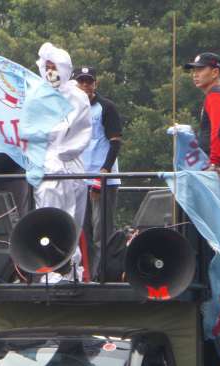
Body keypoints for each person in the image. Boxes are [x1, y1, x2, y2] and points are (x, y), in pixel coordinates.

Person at [35, 42, 92, 281]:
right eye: (46, 67)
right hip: (45, 168)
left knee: (72, 220)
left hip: (70, 166)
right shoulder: (38, 95)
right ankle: (50, 265)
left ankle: (70, 268)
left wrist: (57, 154)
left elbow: (78, 134)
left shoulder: (77, 97)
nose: (50, 72)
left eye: (54, 67)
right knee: (47, 215)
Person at [74, 66, 123, 281]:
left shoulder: (106, 107)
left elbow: (115, 143)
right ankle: (85, 274)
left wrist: (101, 176)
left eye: (89, 81)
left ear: (95, 83)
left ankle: (102, 275)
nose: (85, 85)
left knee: (101, 232)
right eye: (81, 81)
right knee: (81, 231)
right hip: (77, 178)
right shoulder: (70, 108)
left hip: (102, 177)